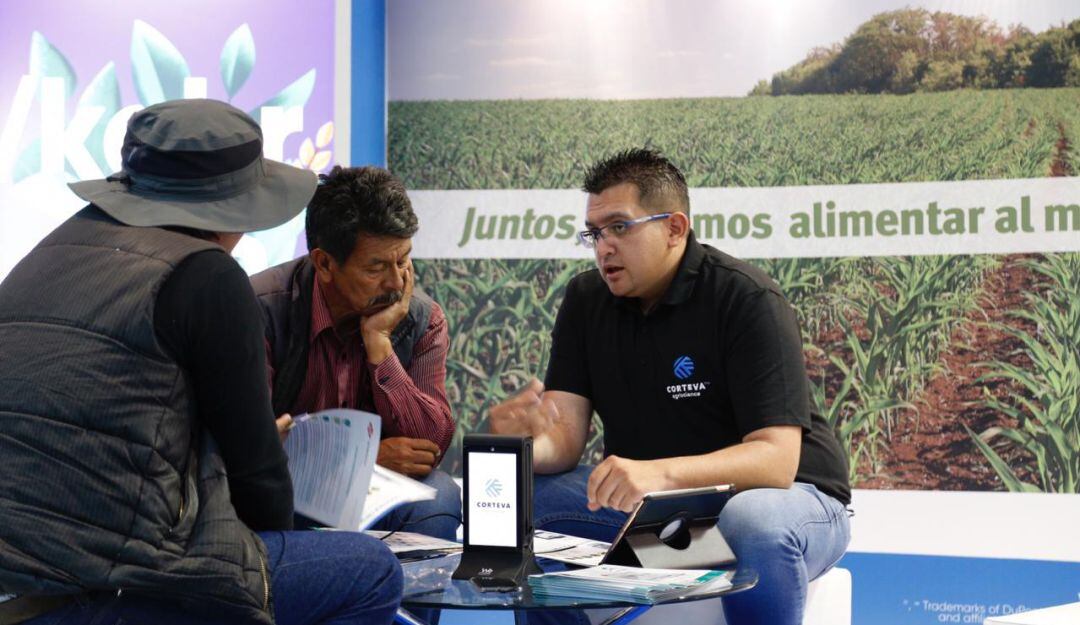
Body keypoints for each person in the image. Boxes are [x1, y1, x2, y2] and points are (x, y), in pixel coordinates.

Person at [0, 100, 402, 625]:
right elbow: (260, 486)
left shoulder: (50, 252)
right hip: (107, 587)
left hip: (17, 586)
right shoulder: (208, 277)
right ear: (231, 210)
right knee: (372, 570)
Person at [490, 148, 851, 625]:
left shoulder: (746, 296)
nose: (603, 247)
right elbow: (565, 438)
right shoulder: (585, 299)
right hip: (665, 518)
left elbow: (776, 462)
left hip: (789, 502)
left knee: (752, 521)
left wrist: (658, 475)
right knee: (517, 497)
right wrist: (521, 445)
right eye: (594, 233)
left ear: (675, 228)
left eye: (620, 227)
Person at [251, 165, 460, 541]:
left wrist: (380, 343)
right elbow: (249, 447)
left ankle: (409, 585)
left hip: (375, 494)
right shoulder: (260, 310)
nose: (396, 283)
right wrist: (363, 462)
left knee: (438, 495)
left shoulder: (422, 319)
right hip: (286, 492)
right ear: (324, 263)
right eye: (376, 268)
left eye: (403, 260)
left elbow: (430, 446)